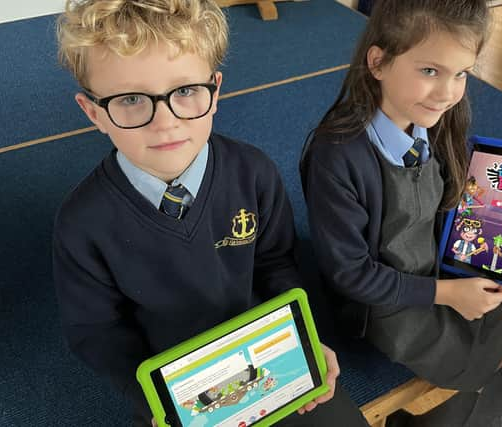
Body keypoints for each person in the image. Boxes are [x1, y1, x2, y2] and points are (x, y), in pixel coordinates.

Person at [53, 1, 369, 426]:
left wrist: (302, 340)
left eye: (184, 92)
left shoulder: (254, 173)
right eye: (130, 99)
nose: (164, 123)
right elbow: (96, 332)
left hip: (270, 359)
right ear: (94, 113)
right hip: (174, 390)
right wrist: (150, 397)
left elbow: (277, 263)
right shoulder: (81, 223)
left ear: (215, 91)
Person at [299, 0, 502, 425]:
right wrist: (447, 294)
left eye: (461, 74)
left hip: (445, 274)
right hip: (387, 305)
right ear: (378, 62)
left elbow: (458, 211)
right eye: (429, 71)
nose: (447, 93)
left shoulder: (438, 125)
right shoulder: (336, 156)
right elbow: (351, 276)